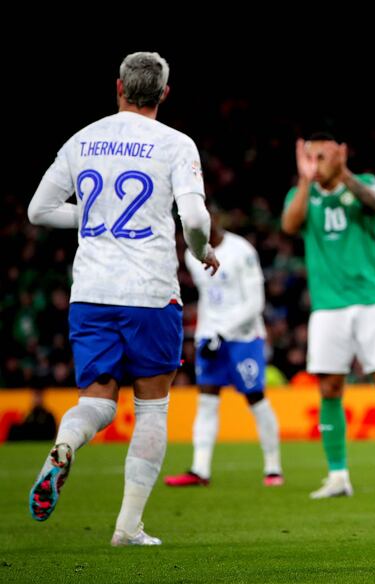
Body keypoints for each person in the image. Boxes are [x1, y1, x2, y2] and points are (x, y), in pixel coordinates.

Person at [26, 51, 219, 546]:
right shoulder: (176, 144)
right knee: (151, 409)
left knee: (97, 399)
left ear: (118, 87)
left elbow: (39, 211)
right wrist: (203, 252)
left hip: (90, 292)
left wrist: (95, 217)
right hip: (150, 293)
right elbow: (195, 220)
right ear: (164, 94)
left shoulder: (82, 140)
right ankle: (127, 527)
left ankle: (65, 444)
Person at [282, 132, 375, 499]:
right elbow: (289, 225)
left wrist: (344, 175)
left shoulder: (364, 184)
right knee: (329, 388)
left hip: (371, 300)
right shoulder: (303, 194)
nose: (318, 163)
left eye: (323, 156)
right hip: (328, 306)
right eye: (311, 157)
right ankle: (337, 476)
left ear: (341, 155)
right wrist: (303, 179)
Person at [164, 215, 283, 488]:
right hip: (211, 337)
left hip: (244, 337)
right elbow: (208, 298)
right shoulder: (190, 254)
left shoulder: (242, 250)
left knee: (256, 398)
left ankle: (273, 468)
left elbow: (256, 302)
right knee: (206, 400)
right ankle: (200, 470)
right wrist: (204, 333)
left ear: (213, 222)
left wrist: (224, 331)